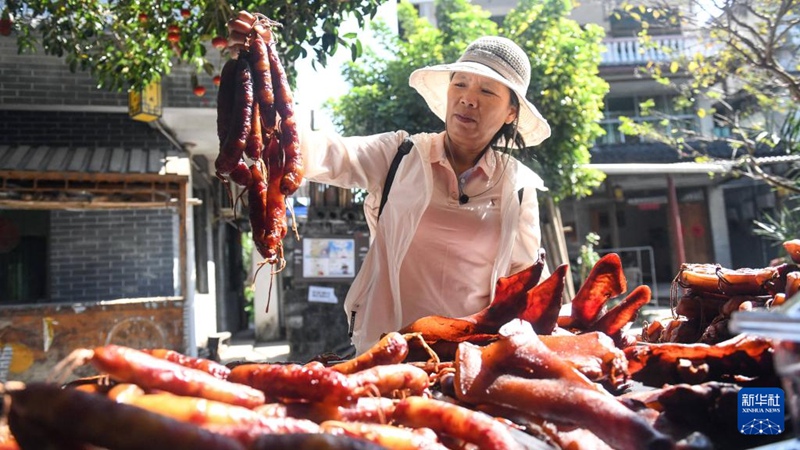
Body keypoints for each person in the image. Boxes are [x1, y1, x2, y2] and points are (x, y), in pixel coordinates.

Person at [228, 14, 552, 353]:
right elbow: (324, 152)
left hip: (468, 362)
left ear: (511, 112)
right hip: (386, 353)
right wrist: (260, 61)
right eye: (460, 84)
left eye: (487, 90)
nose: (468, 98)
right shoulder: (400, 154)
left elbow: (525, 287)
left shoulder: (517, 188)